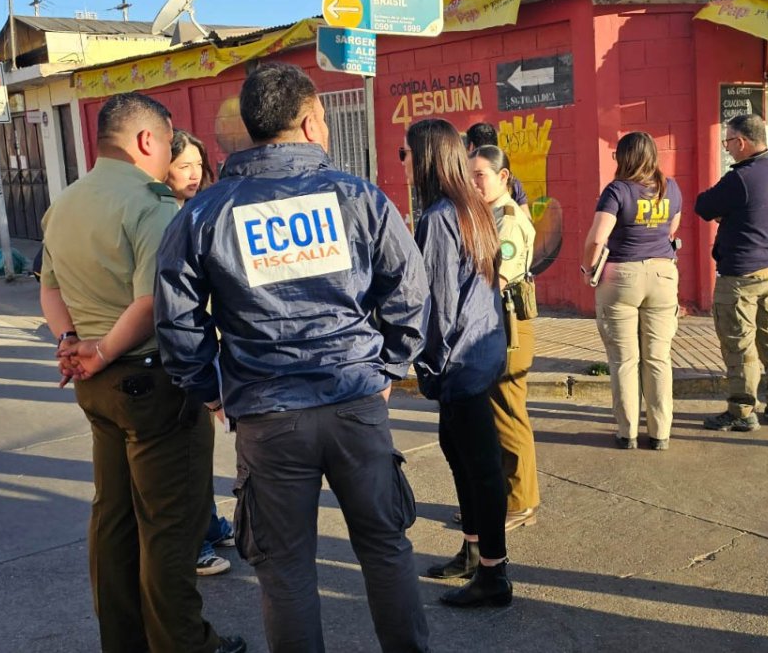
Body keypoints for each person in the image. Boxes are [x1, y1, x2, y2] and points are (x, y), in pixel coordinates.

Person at [153, 63, 431, 653]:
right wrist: (390, 365)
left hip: (266, 414)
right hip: (356, 400)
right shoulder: (359, 197)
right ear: (309, 123)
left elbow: (177, 318)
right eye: (324, 119)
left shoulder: (202, 213)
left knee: (285, 571)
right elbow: (410, 291)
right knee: (385, 549)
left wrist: (211, 389)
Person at [39, 92, 244, 653]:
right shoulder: (151, 205)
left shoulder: (66, 202)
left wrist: (71, 344)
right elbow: (154, 302)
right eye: (168, 143)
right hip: (151, 382)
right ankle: (185, 643)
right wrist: (103, 350)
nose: (170, 156)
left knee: (114, 516)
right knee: (170, 525)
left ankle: (123, 639)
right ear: (147, 140)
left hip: (95, 385)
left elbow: (49, 289)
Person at [407, 118, 513, 608]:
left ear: (426, 158)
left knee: (481, 467)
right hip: (481, 351)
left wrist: (428, 368)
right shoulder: (471, 206)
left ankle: (494, 573)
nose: (403, 163)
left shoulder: (439, 217)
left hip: (461, 359)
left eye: (407, 154)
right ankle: (474, 551)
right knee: (460, 453)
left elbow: (438, 306)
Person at [695, 114, 768, 431]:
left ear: (741, 141)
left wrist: (728, 213)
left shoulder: (741, 178)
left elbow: (704, 206)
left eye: (727, 141)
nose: (726, 148)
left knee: (739, 345)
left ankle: (741, 410)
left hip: (740, 276)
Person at [581, 131, 682, 450]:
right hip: (663, 274)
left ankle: (628, 433)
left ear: (623, 157)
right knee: (658, 357)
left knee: (624, 360)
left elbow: (598, 238)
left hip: (621, 276)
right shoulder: (671, 187)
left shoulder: (617, 190)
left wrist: (587, 269)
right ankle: (661, 433)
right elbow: (672, 229)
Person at [165, 128, 235, 577]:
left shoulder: (203, 211)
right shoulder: (162, 216)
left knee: (199, 449)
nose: (194, 174)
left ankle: (209, 524)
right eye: (183, 166)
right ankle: (194, 543)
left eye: (198, 165)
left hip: (205, 346)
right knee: (184, 455)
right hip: (179, 350)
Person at [470, 144, 540, 532]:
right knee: (495, 416)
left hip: (509, 324)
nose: (473, 183)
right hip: (494, 323)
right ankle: (499, 499)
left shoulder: (509, 221)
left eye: (479, 175)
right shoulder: (490, 215)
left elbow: (495, 279)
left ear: (503, 176)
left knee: (508, 414)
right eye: (469, 176)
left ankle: (521, 502)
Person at [465, 122, 527, 206]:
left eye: (480, 174)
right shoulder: (512, 181)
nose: (473, 182)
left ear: (471, 146)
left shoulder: (462, 182)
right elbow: (525, 213)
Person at [168, 129, 216, 203]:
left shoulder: (210, 204)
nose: (195, 176)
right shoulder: (153, 208)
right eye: (185, 166)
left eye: (199, 164)